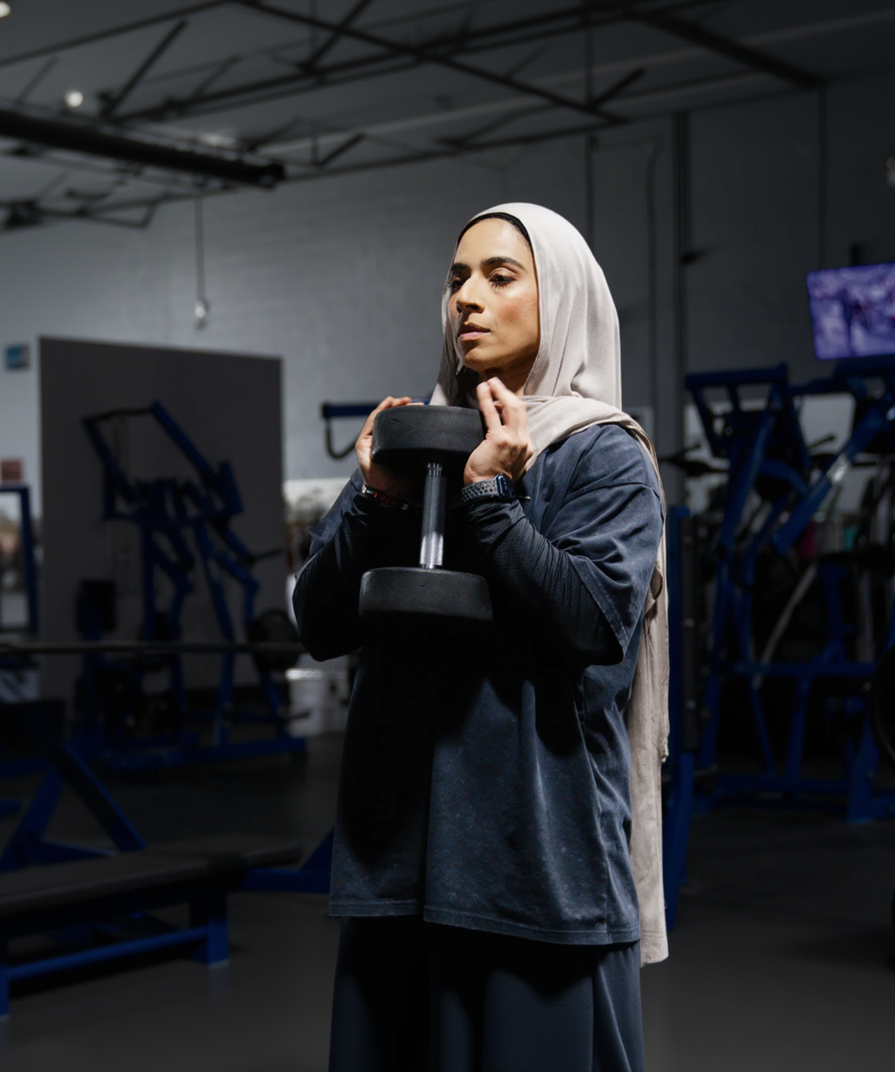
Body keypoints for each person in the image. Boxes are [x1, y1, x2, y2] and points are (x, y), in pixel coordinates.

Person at [292, 203, 669, 1072]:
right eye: (458, 277)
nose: (468, 298)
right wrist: (377, 497)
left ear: (561, 299)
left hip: (534, 860)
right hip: (402, 858)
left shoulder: (599, 455)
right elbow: (316, 622)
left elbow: (592, 624)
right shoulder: (412, 443)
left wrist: (491, 501)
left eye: (501, 276)